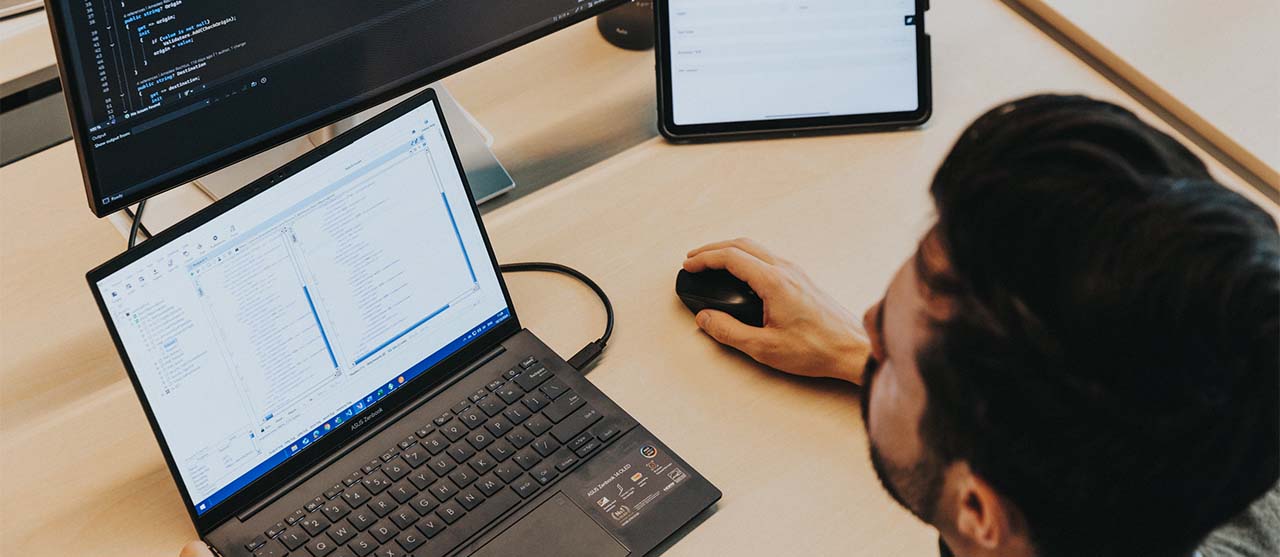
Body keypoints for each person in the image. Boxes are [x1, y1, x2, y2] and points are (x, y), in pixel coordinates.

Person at [179, 95, 1279, 557]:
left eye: (898, 353)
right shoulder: (1227, 405)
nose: (867, 317)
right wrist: (866, 363)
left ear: (982, 510)